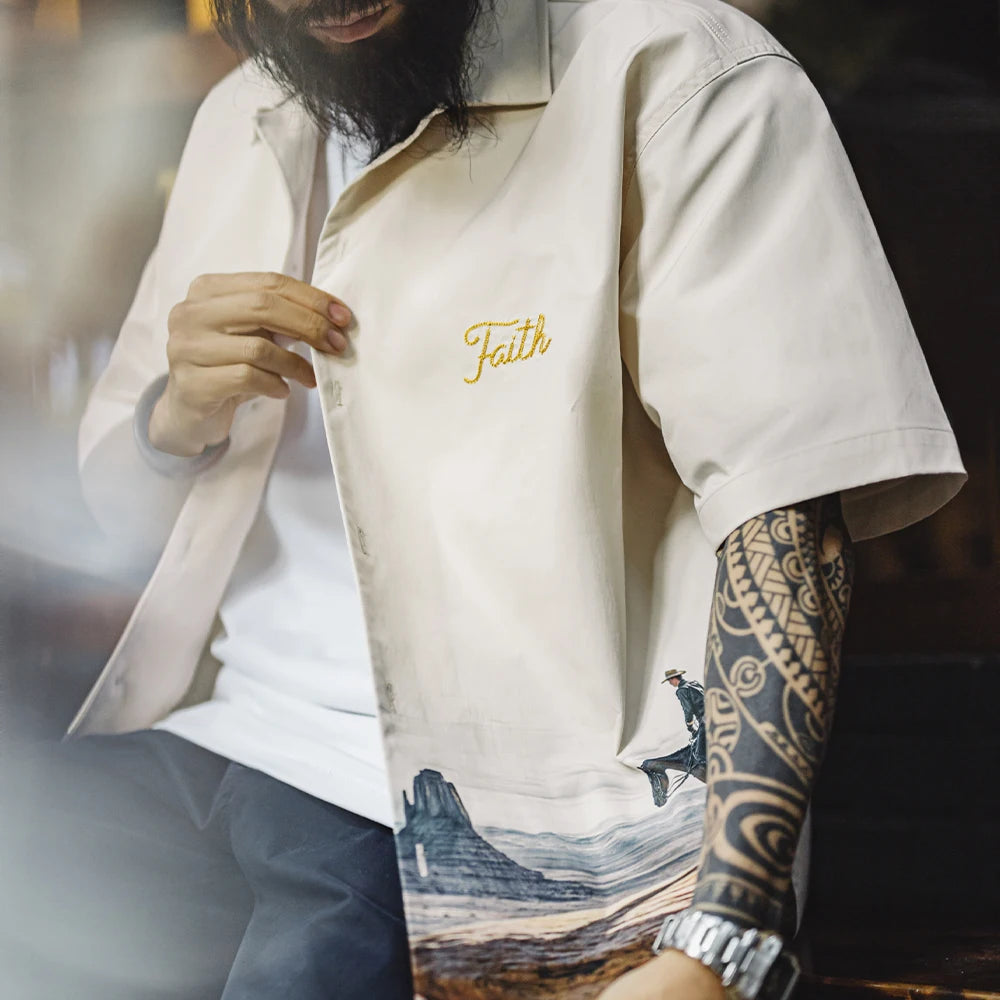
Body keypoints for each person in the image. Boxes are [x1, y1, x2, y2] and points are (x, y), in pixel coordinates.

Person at [0, 1, 966, 998]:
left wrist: (726, 933)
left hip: (434, 812)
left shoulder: (680, 74)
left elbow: (784, 519)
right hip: (199, 739)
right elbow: (117, 507)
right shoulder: (240, 114)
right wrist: (175, 415)